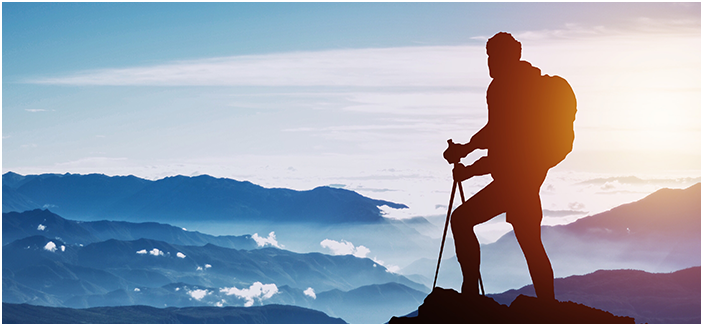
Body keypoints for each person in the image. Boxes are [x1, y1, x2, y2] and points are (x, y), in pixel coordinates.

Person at [443, 32, 576, 300]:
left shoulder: (507, 90)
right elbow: (497, 136)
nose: (490, 63)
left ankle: (470, 293)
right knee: (531, 244)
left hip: (516, 181)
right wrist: (467, 152)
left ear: (508, 57)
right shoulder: (516, 86)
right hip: (527, 180)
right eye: (489, 57)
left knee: (461, 220)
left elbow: (504, 144)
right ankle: (547, 305)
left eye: (494, 57)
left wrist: (467, 163)